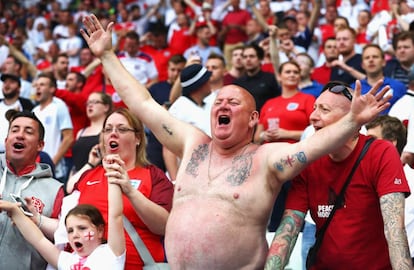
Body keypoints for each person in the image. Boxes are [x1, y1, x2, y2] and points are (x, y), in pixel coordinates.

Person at [81, 14, 392, 269]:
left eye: (233, 102)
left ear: (254, 119)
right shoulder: (193, 143)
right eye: (218, 101)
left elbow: (311, 147)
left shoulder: (266, 159)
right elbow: (143, 105)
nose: (222, 105)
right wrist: (107, 56)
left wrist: (353, 120)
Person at [266, 82, 412, 269]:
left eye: (324, 110)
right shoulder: (308, 161)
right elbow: (288, 230)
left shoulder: (380, 152)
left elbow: (395, 232)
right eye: (314, 108)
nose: (312, 117)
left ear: (349, 118)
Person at [68, 108, 174, 269]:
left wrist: (130, 192)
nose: (113, 133)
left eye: (122, 129)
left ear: (137, 138)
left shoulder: (153, 175)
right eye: (108, 129)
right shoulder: (88, 176)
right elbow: (67, 224)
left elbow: (164, 226)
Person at [0, 153, 126, 269]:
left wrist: (112, 172)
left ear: (99, 230)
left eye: (82, 228)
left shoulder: (111, 254)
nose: (75, 235)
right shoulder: (67, 261)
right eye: (70, 230)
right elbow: (38, 240)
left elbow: (115, 215)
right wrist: (13, 210)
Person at [0, 110, 64, 269]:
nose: (20, 135)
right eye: (14, 130)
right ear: (6, 140)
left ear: (40, 145)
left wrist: (38, 221)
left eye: (28, 132)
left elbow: (62, 239)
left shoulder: (55, 190)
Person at [32, 73, 74, 183]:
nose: (38, 87)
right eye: (36, 85)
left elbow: (68, 137)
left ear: (52, 89)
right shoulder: (35, 110)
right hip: (36, 168)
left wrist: (53, 162)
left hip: (56, 169)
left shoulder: (59, 106)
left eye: (42, 85)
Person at [351, 44, 406, 115]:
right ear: (362, 65)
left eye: (375, 57)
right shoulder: (354, 89)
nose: (371, 60)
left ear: (384, 62)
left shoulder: (398, 86)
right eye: (367, 58)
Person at [71, 92, 112, 173]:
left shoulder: (108, 131)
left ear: (106, 107)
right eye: (88, 103)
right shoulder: (81, 132)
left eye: (95, 102)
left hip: (97, 178)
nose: (90, 105)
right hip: (78, 178)